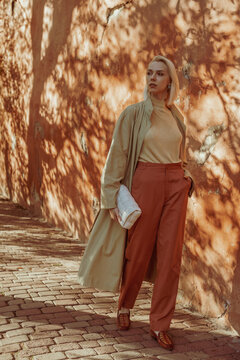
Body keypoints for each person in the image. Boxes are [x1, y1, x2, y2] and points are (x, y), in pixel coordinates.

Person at [78, 55, 194, 351]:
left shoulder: (176, 115)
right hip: (146, 180)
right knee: (138, 251)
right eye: (149, 73)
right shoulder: (134, 113)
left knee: (170, 259)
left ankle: (160, 325)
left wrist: (187, 178)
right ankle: (125, 306)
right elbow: (117, 154)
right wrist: (110, 195)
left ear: (170, 81)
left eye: (159, 74)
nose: (152, 78)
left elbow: (182, 153)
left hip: (176, 185)